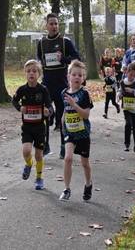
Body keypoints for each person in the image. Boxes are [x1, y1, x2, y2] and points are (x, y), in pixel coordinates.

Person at [37, 13, 80, 159]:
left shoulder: (65, 41)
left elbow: (76, 58)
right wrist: (40, 63)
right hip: (46, 85)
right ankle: (45, 145)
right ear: (46, 25)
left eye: (56, 24)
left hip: (61, 85)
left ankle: (63, 146)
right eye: (51, 24)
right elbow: (38, 57)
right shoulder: (41, 43)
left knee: (63, 119)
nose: (54, 26)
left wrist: (64, 58)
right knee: (45, 115)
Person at [12, 59, 54, 190]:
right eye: (29, 71)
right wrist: (20, 108)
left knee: (38, 155)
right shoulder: (22, 90)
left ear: (39, 74)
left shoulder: (43, 90)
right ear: (25, 74)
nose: (31, 74)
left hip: (40, 127)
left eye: (34, 71)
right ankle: (29, 164)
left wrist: (48, 112)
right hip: (27, 127)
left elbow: (49, 106)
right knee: (26, 151)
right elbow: (14, 100)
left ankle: (39, 178)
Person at [59, 60, 94, 202]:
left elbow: (86, 115)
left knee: (84, 163)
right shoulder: (64, 93)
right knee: (68, 158)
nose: (77, 77)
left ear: (83, 78)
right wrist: (62, 124)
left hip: (83, 132)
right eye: (74, 74)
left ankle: (88, 184)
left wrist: (74, 104)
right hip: (69, 132)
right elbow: (65, 111)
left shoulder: (84, 94)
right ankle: (66, 189)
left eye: (80, 75)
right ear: (69, 77)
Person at [117, 61, 135, 153]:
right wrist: (118, 96)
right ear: (126, 73)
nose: (132, 77)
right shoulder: (123, 82)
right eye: (130, 75)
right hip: (126, 108)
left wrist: (133, 91)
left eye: (134, 75)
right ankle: (127, 144)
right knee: (128, 124)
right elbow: (120, 91)